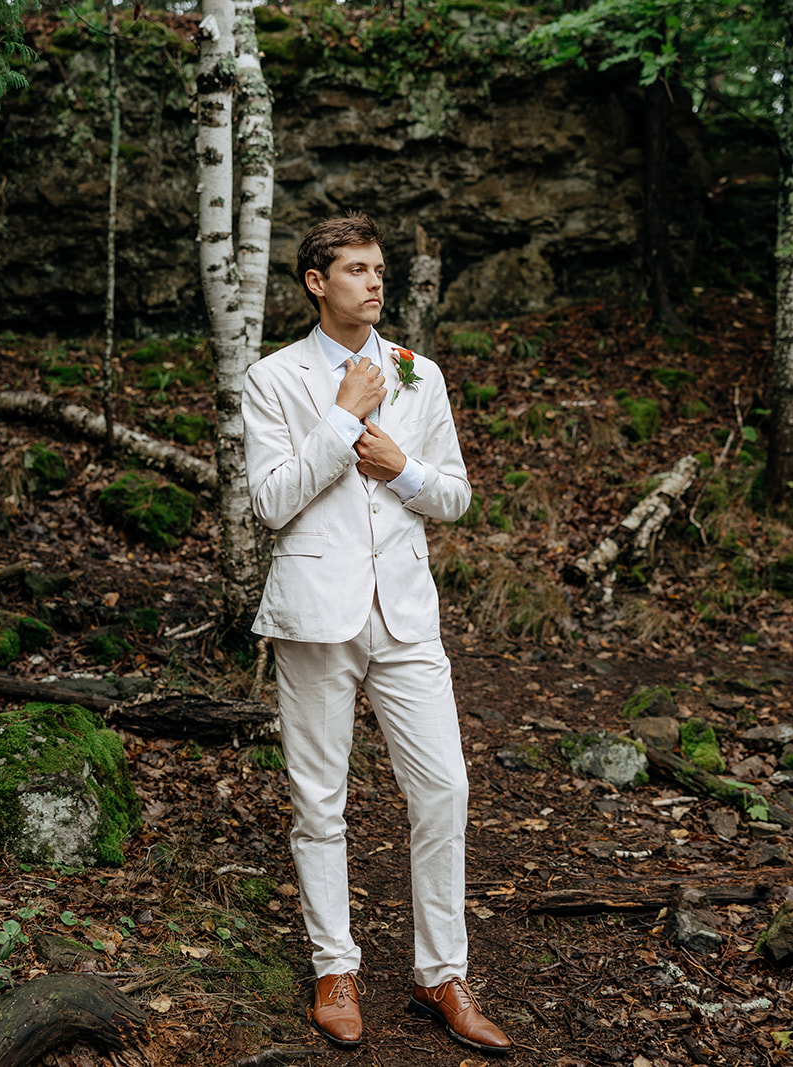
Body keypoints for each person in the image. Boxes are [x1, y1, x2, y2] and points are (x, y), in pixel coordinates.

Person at [241, 213, 512, 1055]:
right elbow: (271, 501)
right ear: (317, 282)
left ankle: (442, 975)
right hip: (315, 613)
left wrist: (408, 470)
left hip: (405, 613)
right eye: (356, 269)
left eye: (380, 270)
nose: (374, 282)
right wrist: (340, 419)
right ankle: (335, 969)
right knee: (320, 800)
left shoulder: (418, 373)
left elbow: (457, 495)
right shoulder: (273, 378)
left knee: (446, 788)